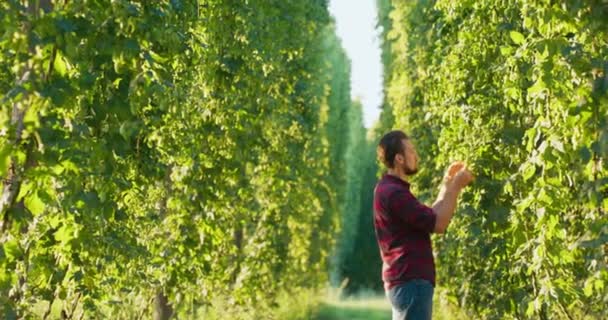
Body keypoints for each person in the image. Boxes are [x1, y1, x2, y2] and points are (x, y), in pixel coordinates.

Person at [373, 130, 474, 320]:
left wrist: (446, 185)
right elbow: (439, 224)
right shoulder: (395, 193)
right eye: (411, 151)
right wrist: (457, 186)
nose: (416, 156)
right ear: (399, 159)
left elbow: (429, 217)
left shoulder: (389, 189)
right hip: (411, 282)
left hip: (405, 281)